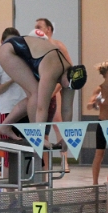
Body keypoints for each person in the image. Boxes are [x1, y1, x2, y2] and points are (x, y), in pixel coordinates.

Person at [0, 27, 84, 133]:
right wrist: (39, 136)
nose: (68, 87)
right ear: (67, 74)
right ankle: (36, 134)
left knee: (32, 97)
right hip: (9, 51)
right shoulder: (54, 69)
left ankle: (4, 127)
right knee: (36, 95)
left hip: (23, 55)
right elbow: (41, 108)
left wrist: (67, 136)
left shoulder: (71, 80)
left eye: (71, 87)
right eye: (69, 84)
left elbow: (67, 110)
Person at [0, 28, 29, 171]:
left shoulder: (25, 61)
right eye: (8, 42)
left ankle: (34, 185)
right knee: (9, 159)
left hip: (27, 112)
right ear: (2, 43)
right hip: (7, 112)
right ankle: (9, 186)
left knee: (31, 155)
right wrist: (12, 79)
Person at [35, 18, 73, 168]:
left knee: (59, 125)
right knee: (43, 128)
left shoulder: (58, 46)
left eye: (39, 27)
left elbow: (69, 69)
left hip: (55, 89)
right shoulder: (37, 47)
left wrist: (56, 89)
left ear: (48, 29)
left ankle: (64, 159)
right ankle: (44, 164)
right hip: (42, 90)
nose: (36, 30)